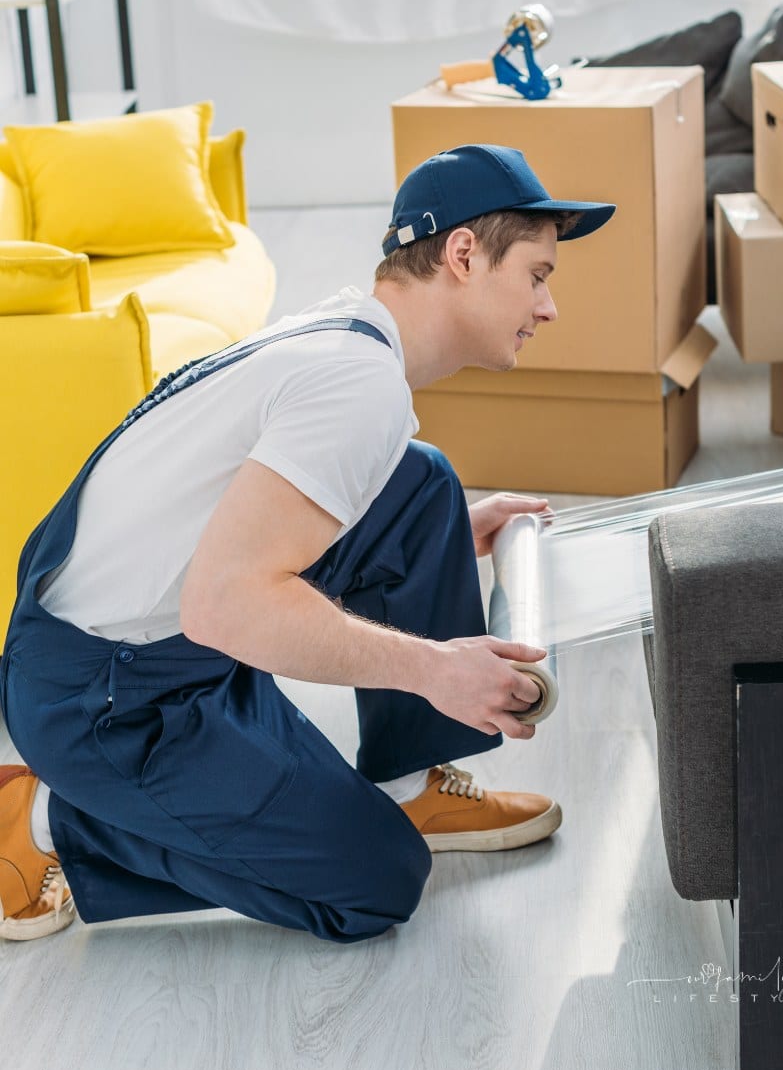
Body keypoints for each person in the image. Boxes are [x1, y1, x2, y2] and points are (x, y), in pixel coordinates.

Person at [0, 143, 615, 944]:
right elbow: (227, 603)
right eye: (538, 275)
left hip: (147, 638)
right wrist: (436, 669)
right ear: (464, 254)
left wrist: (444, 540)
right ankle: (42, 819)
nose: (548, 308)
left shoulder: (342, 334)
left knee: (421, 486)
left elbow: (238, 536)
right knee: (376, 881)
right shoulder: (356, 386)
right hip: (108, 703)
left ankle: (407, 782)